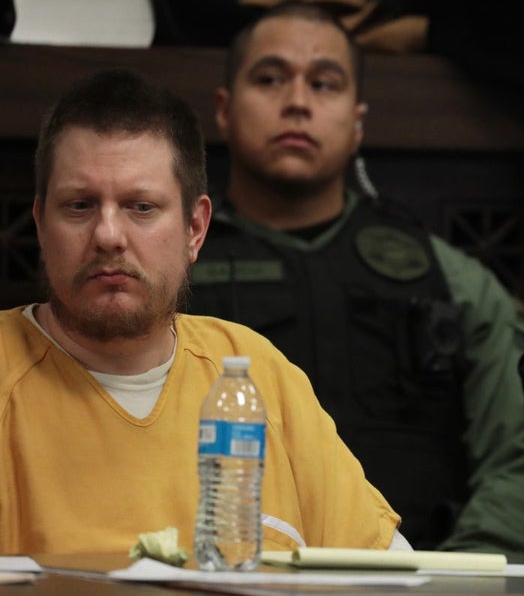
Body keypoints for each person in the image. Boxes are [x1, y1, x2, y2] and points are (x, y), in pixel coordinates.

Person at [0, 68, 407, 555]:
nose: (108, 235)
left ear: (195, 229)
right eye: (80, 205)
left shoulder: (255, 375)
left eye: (141, 207)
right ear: (41, 225)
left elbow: (387, 570)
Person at [184, 2, 524, 554]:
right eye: (270, 78)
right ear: (225, 111)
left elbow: (521, 460)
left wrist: (451, 579)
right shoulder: (172, 274)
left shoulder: (452, 281)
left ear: (357, 123)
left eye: (324, 84)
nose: (297, 101)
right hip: (225, 573)